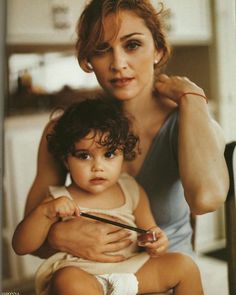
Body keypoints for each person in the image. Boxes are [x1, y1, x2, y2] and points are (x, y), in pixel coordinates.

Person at [24, 0, 228, 270]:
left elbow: (206, 200)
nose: (118, 63)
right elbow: (27, 241)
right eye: (101, 49)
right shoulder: (64, 130)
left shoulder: (188, 118)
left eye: (132, 45)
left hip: (168, 278)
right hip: (93, 278)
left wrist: (192, 97)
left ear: (158, 49)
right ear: (87, 60)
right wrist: (58, 236)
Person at [12, 99, 204, 294]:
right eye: (84, 156)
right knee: (67, 280)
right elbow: (21, 246)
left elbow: (150, 230)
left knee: (183, 266)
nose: (98, 166)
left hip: (132, 270)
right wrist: (44, 213)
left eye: (109, 154)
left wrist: (156, 241)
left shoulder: (131, 189)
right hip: (84, 276)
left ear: (124, 154)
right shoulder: (57, 199)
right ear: (66, 160)